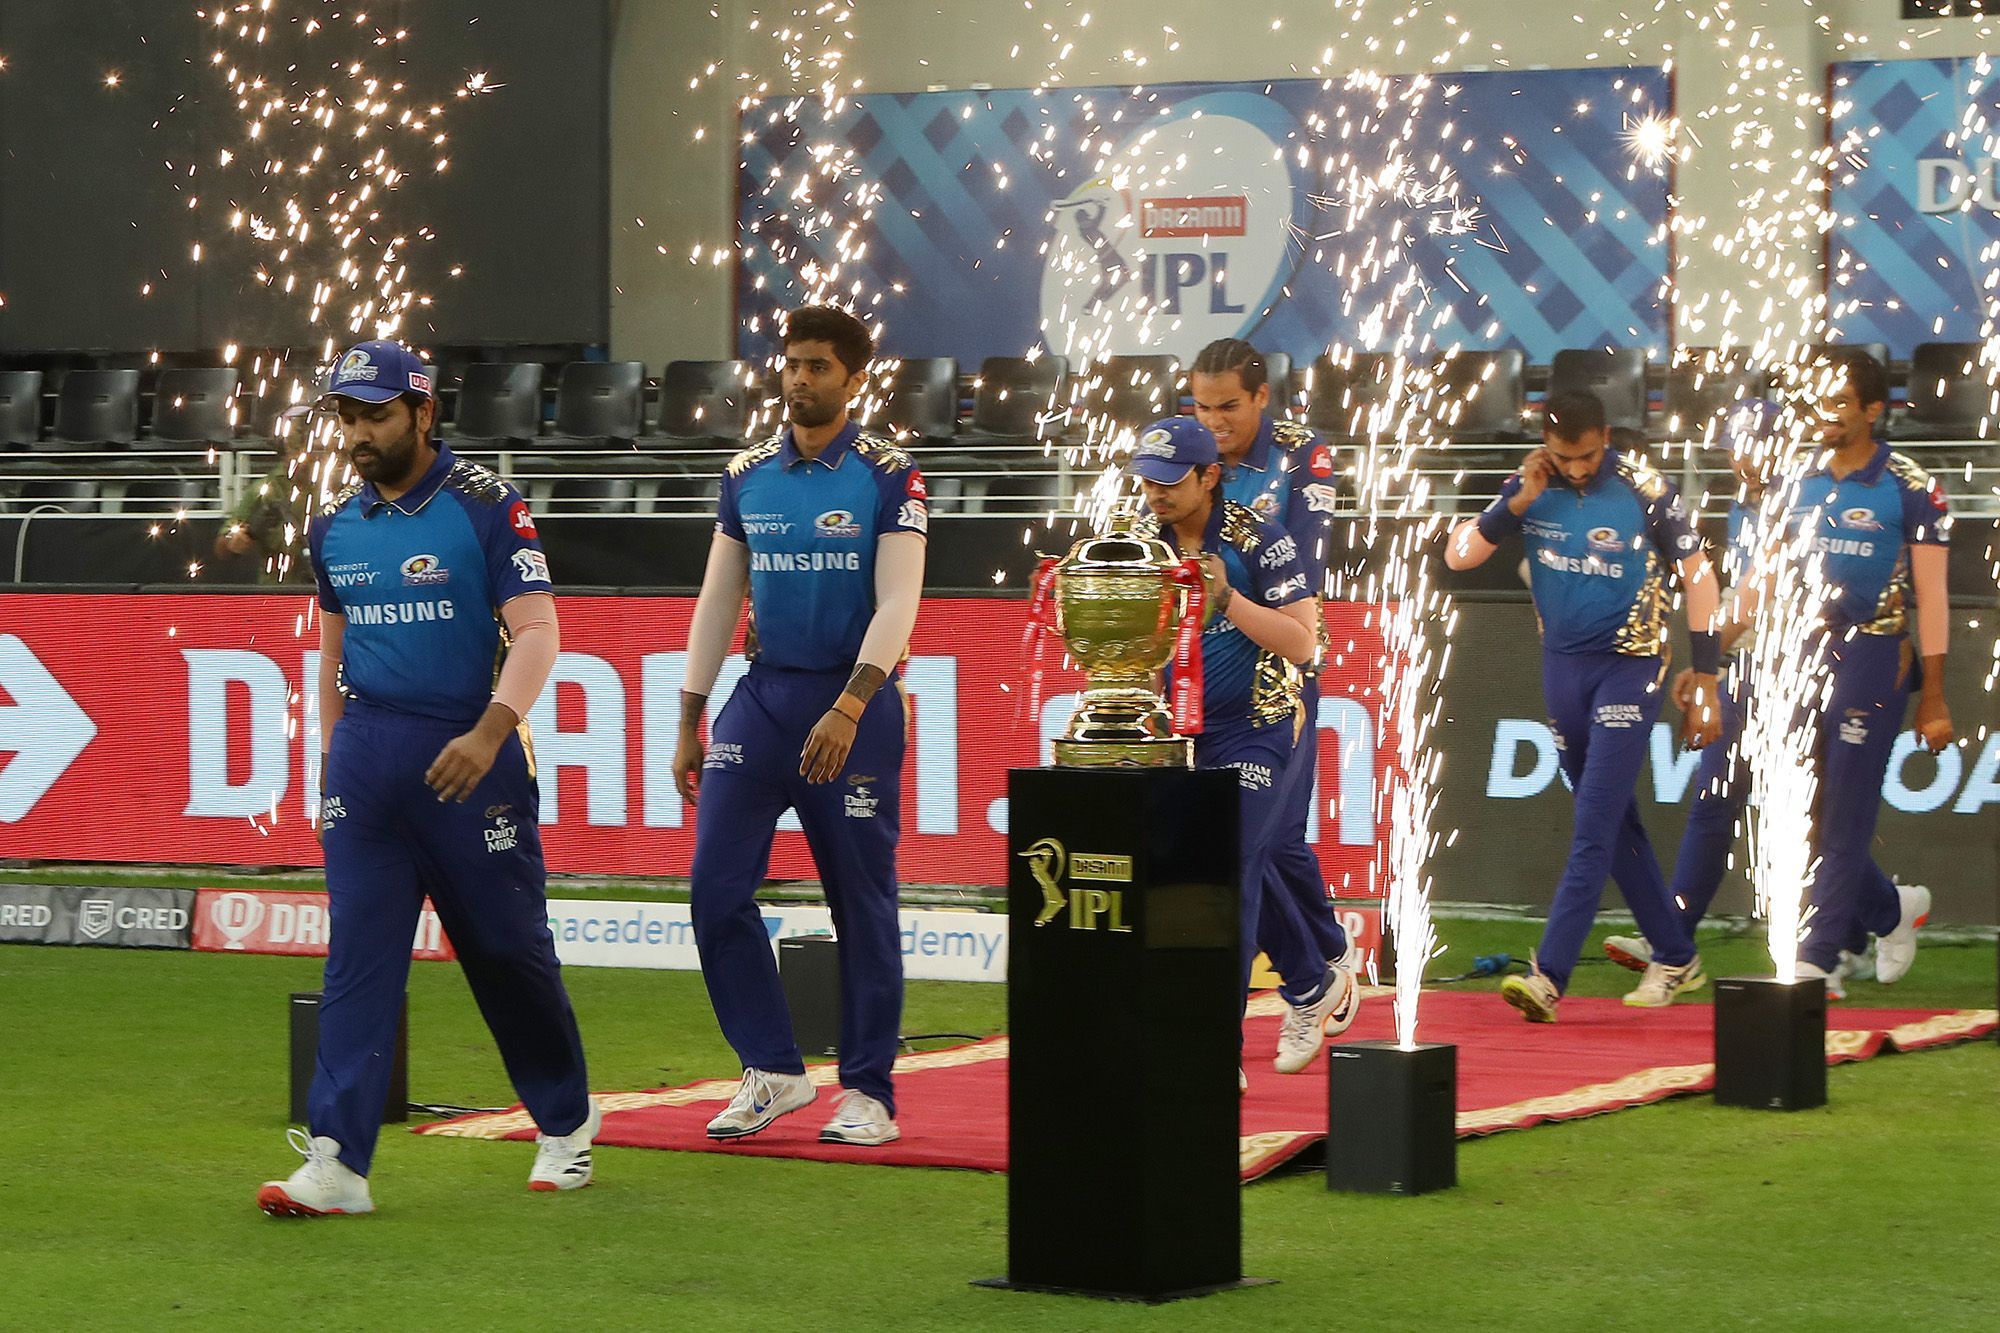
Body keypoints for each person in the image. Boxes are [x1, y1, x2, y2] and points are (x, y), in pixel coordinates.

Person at [259, 339, 597, 1217]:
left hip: (470, 757)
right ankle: (337, 1162)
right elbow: (330, 660)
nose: (358, 434)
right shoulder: (333, 526)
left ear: (423, 412)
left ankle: (566, 1121)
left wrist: (491, 731)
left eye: (376, 416)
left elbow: (538, 631)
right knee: (357, 958)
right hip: (368, 763)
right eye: (347, 417)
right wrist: (330, 768)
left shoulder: (487, 506)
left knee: (506, 951)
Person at [674, 305, 927, 1147]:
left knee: (861, 901)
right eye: (791, 364)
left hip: (854, 706)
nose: (799, 379)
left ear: (854, 379)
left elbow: (899, 602)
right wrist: (690, 715)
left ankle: (869, 1092)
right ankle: (773, 1068)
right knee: (714, 891)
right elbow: (719, 598)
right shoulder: (747, 473)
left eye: (818, 366)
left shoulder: (890, 475)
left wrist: (850, 705)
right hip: (762, 699)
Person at [1445, 391, 1723, 1020]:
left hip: (1631, 667)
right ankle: (1677, 954)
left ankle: (1549, 975)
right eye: (1564, 457)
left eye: (1588, 456)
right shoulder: (1530, 483)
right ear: (1547, 443)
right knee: (1614, 822)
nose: (1575, 469)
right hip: (1563, 669)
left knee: (1594, 825)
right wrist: (1515, 504)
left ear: (1606, 438)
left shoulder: (1645, 489)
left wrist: (1706, 675)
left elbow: (1700, 576)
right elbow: (1458, 557)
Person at [1128, 416, 1356, 1077]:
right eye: (1148, 481)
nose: (1156, 494)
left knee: (1227, 867)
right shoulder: (1143, 541)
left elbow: (1305, 643)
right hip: (1185, 729)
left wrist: (1227, 599)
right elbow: (1149, 640)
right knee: (1219, 865)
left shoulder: (1260, 538)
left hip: (1260, 726)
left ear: (1209, 477)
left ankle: (1212, 1049)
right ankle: (1313, 982)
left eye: (1170, 481)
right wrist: (1145, 706)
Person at [1189, 339, 1354, 1074]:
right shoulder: (1188, 455)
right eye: (1202, 406)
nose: (1214, 422)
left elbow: (1300, 580)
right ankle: (1322, 969)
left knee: (1263, 842)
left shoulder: (1301, 458)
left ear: (1262, 397)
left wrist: (1234, 597)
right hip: (1204, 677)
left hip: (1280, 671)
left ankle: (1312, 976)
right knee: (1262, 844)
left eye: (1228, 406)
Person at [1777, 352, 1950, 988]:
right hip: (1806, 649)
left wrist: (1934, 697)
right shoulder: (1800, 479)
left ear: (1873, 410)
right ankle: (1885, 913)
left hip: (1877, 653)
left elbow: (1933, 596)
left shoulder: (1911, 486)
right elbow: (1773, 574)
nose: (1824, 414)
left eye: (1839, 403)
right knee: (1808, 810)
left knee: (1846, 811)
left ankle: (1817, 958)